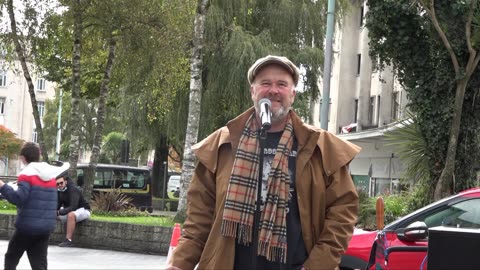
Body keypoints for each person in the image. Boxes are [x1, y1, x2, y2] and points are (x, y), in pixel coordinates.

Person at [167, 55, 361, 270]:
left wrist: (317, 265)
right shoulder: (222, 145)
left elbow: (342, 213)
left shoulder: (321, 147)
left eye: (282, 84)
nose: (273, 90)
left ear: (293, 94)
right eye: (265, 83)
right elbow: (199, 218)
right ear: (253, 91)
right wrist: (179, 264)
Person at [0, 142, 69, 270]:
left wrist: (3, 186)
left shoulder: (26, 174)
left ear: (23, 158)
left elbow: (19, 198)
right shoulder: (50, 175)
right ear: (39, 155)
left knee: (11, 257)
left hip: (27, 227)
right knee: (39, 262)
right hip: (46, 227)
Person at [56, 175, 91, 247]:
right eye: (57, 184)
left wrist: (59, 212)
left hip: (83, 210)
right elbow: (58, 206)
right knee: (51, 214)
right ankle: (44, 237)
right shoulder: (59, 190)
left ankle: (69, 240)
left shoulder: (73, 189)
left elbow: (73, 207)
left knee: (71, 215)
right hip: (71, 211)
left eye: (61, 183)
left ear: (65, 182)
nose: (59, 185)